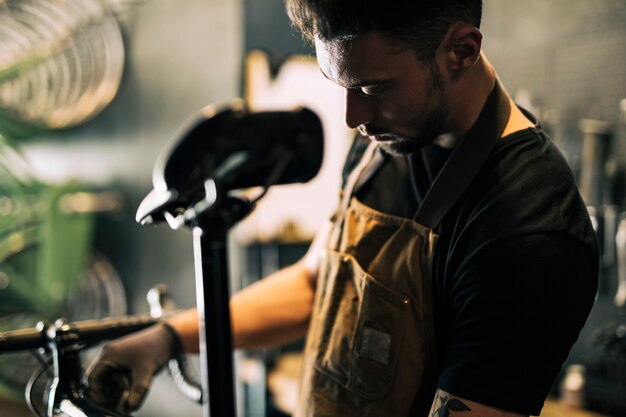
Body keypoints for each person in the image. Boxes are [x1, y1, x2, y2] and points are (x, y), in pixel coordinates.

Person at [86, 1, 599, 416]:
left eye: (372, 88)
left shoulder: (528, 233)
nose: (353, 116)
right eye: (344, 87)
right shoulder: (391, 133)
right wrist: (169, 337)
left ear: (461, 50)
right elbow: (319, 282)